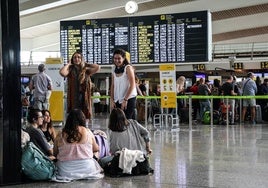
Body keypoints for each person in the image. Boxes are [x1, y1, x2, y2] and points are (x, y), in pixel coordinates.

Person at [53, 109, 104, 182]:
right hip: (88, 169)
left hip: (65, 171)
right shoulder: (88, 131)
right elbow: (96, 149)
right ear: (82, 119)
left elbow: (55, 153)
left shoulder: (60, 134)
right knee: (97, 152)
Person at [59, 51, 100, 120]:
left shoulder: (86, 70)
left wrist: (87, 64)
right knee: (74, 115)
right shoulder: (70, 70)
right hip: (74, 96)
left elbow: (97, 67)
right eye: (75, 57)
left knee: (83, 115)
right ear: (72, 59)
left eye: (79, 57)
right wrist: (68, 64)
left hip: (84, 96)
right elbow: (62, 72)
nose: (76, 59)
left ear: (81, 59)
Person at [110, 49, 137, 119]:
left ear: (124, 58)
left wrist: (125, 100)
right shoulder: (113, 69)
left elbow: (132, 85)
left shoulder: (128, 68)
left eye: (119, 58)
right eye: (115, 58)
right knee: (119, 122)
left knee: (128, 121)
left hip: (129, 99)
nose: (117, 60)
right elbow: (113, 85)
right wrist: (112, 100)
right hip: (117, 99)